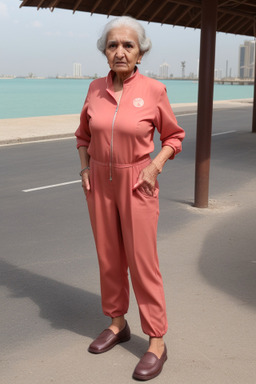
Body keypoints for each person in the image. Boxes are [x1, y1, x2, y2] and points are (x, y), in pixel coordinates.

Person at [75, 16, 185, 381]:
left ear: (140, 52)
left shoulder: (154, 90)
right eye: (112, 45)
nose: (119, 51)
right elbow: (82, 136)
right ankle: (117, 323)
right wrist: (85, 169)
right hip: (99, 185)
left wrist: (153, 168)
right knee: (109, 258)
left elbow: (173, 137)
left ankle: (156, 341)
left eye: (128, 45)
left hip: (138, 182)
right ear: (104, 52)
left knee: (142, 263)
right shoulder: (94, 89)